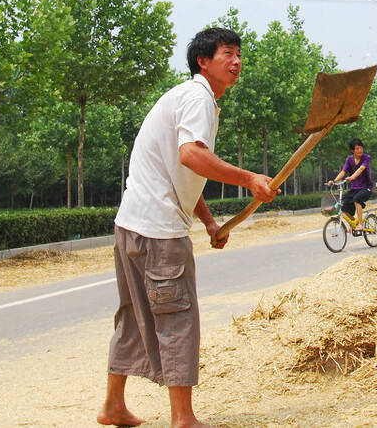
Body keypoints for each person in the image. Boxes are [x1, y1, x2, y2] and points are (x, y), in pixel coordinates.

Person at [98, 27, 277, 428]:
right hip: (159, 232)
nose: (237, 62)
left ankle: (113, 406)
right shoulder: (199, 99)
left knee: (133, 316)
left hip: (130, 225)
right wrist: (249, 179)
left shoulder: (184, 97)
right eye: (227, 54)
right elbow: (192, 156)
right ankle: (183, 417)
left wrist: (210, 221)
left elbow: (180, 172)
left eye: (239, 54)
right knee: (177, 317)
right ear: (203, 61)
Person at [330, 138, 372, 233]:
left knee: (357, 199)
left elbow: (361, 169)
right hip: (354, 189)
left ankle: (360, 224)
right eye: (357, 149)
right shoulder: (349, 159)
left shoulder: (366, 158)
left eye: (361, 148)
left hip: (366, 188)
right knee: (342, 205)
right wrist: (334, 181)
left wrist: (352, 177)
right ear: (352, 150)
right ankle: (354, 223)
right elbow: (343, 172)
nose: (360, 150)